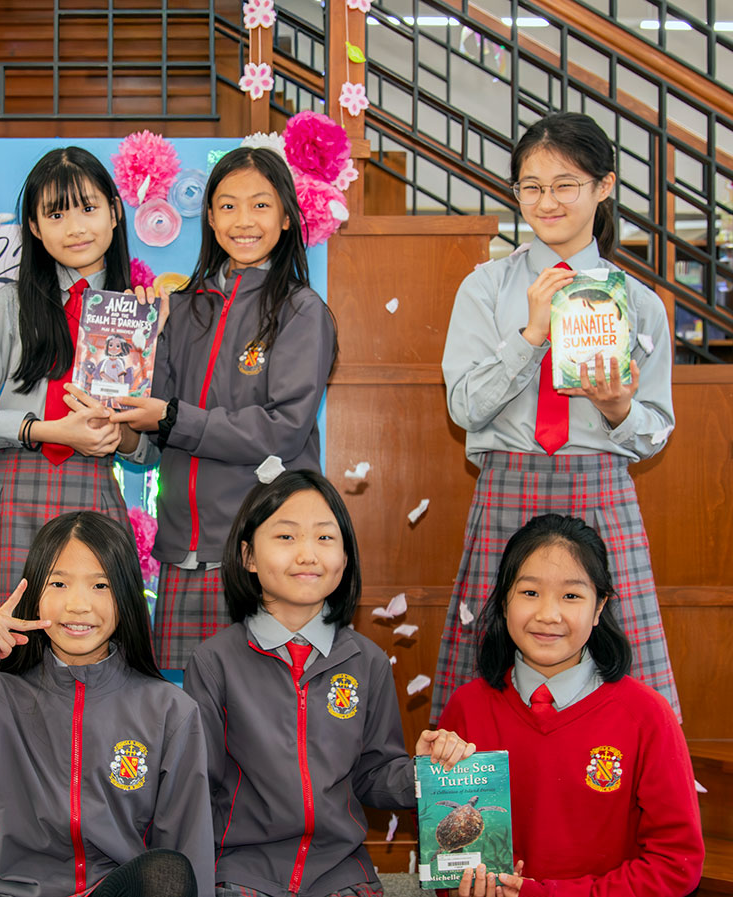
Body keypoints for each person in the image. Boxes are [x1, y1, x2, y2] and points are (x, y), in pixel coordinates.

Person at [434, 112, 678, 722]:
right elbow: (463, 407)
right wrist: (530, 336)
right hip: (507, 482)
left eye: (566, 183)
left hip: (599, 485)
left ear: (604, 186)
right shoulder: (486, 288)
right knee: (490, 664)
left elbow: (655, 430)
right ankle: (480, 805)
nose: (547, 200)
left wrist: (620, 409)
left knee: (621, 666)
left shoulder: (640, 304)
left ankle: (615, 803)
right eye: (532, 185)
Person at [0, 511, 214, 897]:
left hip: (110, 889)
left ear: (127, 595)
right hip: (9, 890)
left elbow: (186, 852)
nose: (79, 605)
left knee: (167, 872)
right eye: (59, 583)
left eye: (100, 585)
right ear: (34, 595)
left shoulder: (170, 711)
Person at [186, 470, 476, 897]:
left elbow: (373, 775)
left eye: (325, 538)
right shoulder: (214, 662)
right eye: (286, 537)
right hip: (244, 871)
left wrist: (423, 772)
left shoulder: (368, 660)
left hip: (343, 871)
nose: (308, 555)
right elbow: (197, 787)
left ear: (345, 556)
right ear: (247, 556)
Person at [111, 146, 337, 669]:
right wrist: (141, 358)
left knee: (263, 725)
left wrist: (172, 419)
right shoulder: (183, 308)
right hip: (182, 557)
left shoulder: (301, 311)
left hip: (259, 559)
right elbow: (152, 426)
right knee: (184, 726)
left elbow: (282, 430)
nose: (243, 221)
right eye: (228, 206)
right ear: (209, 217)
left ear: (286, 216)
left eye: (260, 205)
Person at [440, 514, 703, 897]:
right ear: (503, 601)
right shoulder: (467, 706)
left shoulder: (647, 716)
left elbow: (675, 866)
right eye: (530, 593)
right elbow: (445, 851)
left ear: (599, 608)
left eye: (571, 595)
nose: (548, 615)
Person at [0, 147, 146, 609]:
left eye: (89, 208)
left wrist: (121, 436)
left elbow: (149, 447)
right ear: (33, 227)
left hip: (93, 485)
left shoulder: (137, 311)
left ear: (115, 212)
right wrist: (44, 430)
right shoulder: (11, 305)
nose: (75, 228)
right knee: (8, 643)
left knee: (94, 634)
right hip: (16, 489)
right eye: (55, 214)